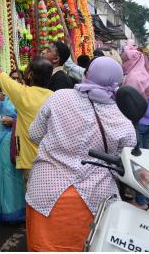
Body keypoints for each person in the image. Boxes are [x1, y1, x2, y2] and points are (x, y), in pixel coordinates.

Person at [25, 57, 136, 251]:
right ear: (117, 84)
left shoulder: (59, 97)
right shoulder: (123, 121)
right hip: (95, 200)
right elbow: (123, 163)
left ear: (86, 74)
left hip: (46, 192)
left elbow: (34, 134)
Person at [0, 26, 53, 191]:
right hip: (50, 161)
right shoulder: (53, 96)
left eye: (27, 70)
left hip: (31, 162)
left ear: (31, 76)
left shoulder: (23, 94)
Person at [121, 46, 149, 209]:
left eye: (125, 60)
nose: (123, 63)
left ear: (134, 60)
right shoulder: (146, 74)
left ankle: (141, 201)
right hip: (148, 122)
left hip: (138, 123)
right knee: (146, 160)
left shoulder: (134, 78)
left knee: (137, 162)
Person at [0, 71, 25, 224]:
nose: (15, 81)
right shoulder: (2, 96)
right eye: (12, 78)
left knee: (17, 175)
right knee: (5, 173)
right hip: (3, 139)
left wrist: (14, 121)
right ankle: (6, 212)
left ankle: (19, 211)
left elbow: (30, 118)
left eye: (17, 78)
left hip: (17, 137)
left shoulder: (24, 96)